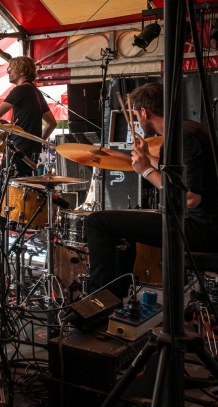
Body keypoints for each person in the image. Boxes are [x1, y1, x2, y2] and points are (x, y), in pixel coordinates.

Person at [86, 83, 218, 298]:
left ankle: (99, 302)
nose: (137, 121)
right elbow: (176, 174)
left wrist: (146, 170)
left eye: (136, 115)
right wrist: (149, 159)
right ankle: (114, 299)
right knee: (123, 226)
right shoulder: (189, 130)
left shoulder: (183, 137)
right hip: (202, 223)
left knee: (98, 222)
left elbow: (190, 198)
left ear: (145, 112)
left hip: (202, 228)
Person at [0, 56, 56, 177]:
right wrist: (37, 143)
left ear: (22, 71)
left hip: (19, 152)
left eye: (12, 68)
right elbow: (52, 123)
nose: (8, 71)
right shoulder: (36, 92)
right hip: (30, 154)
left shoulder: (20, 90)